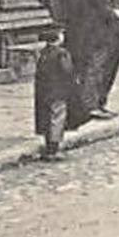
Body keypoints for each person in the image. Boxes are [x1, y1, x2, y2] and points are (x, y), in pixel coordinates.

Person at [64, 0, 119, 119]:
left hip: (90, 32)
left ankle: (93, 103)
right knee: (92, 69)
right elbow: (88, 10)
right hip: (89, 33)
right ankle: (89, 105)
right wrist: (113, 13)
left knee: (94, 69)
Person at [34, 29, 90, 160]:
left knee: (47, 117)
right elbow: (67, 71)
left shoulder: (43, 53)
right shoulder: (62, 54)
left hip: (44, 91)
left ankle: (48, 145)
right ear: (58, 39)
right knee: (57, 117)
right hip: (59, 90)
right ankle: (54, 149)